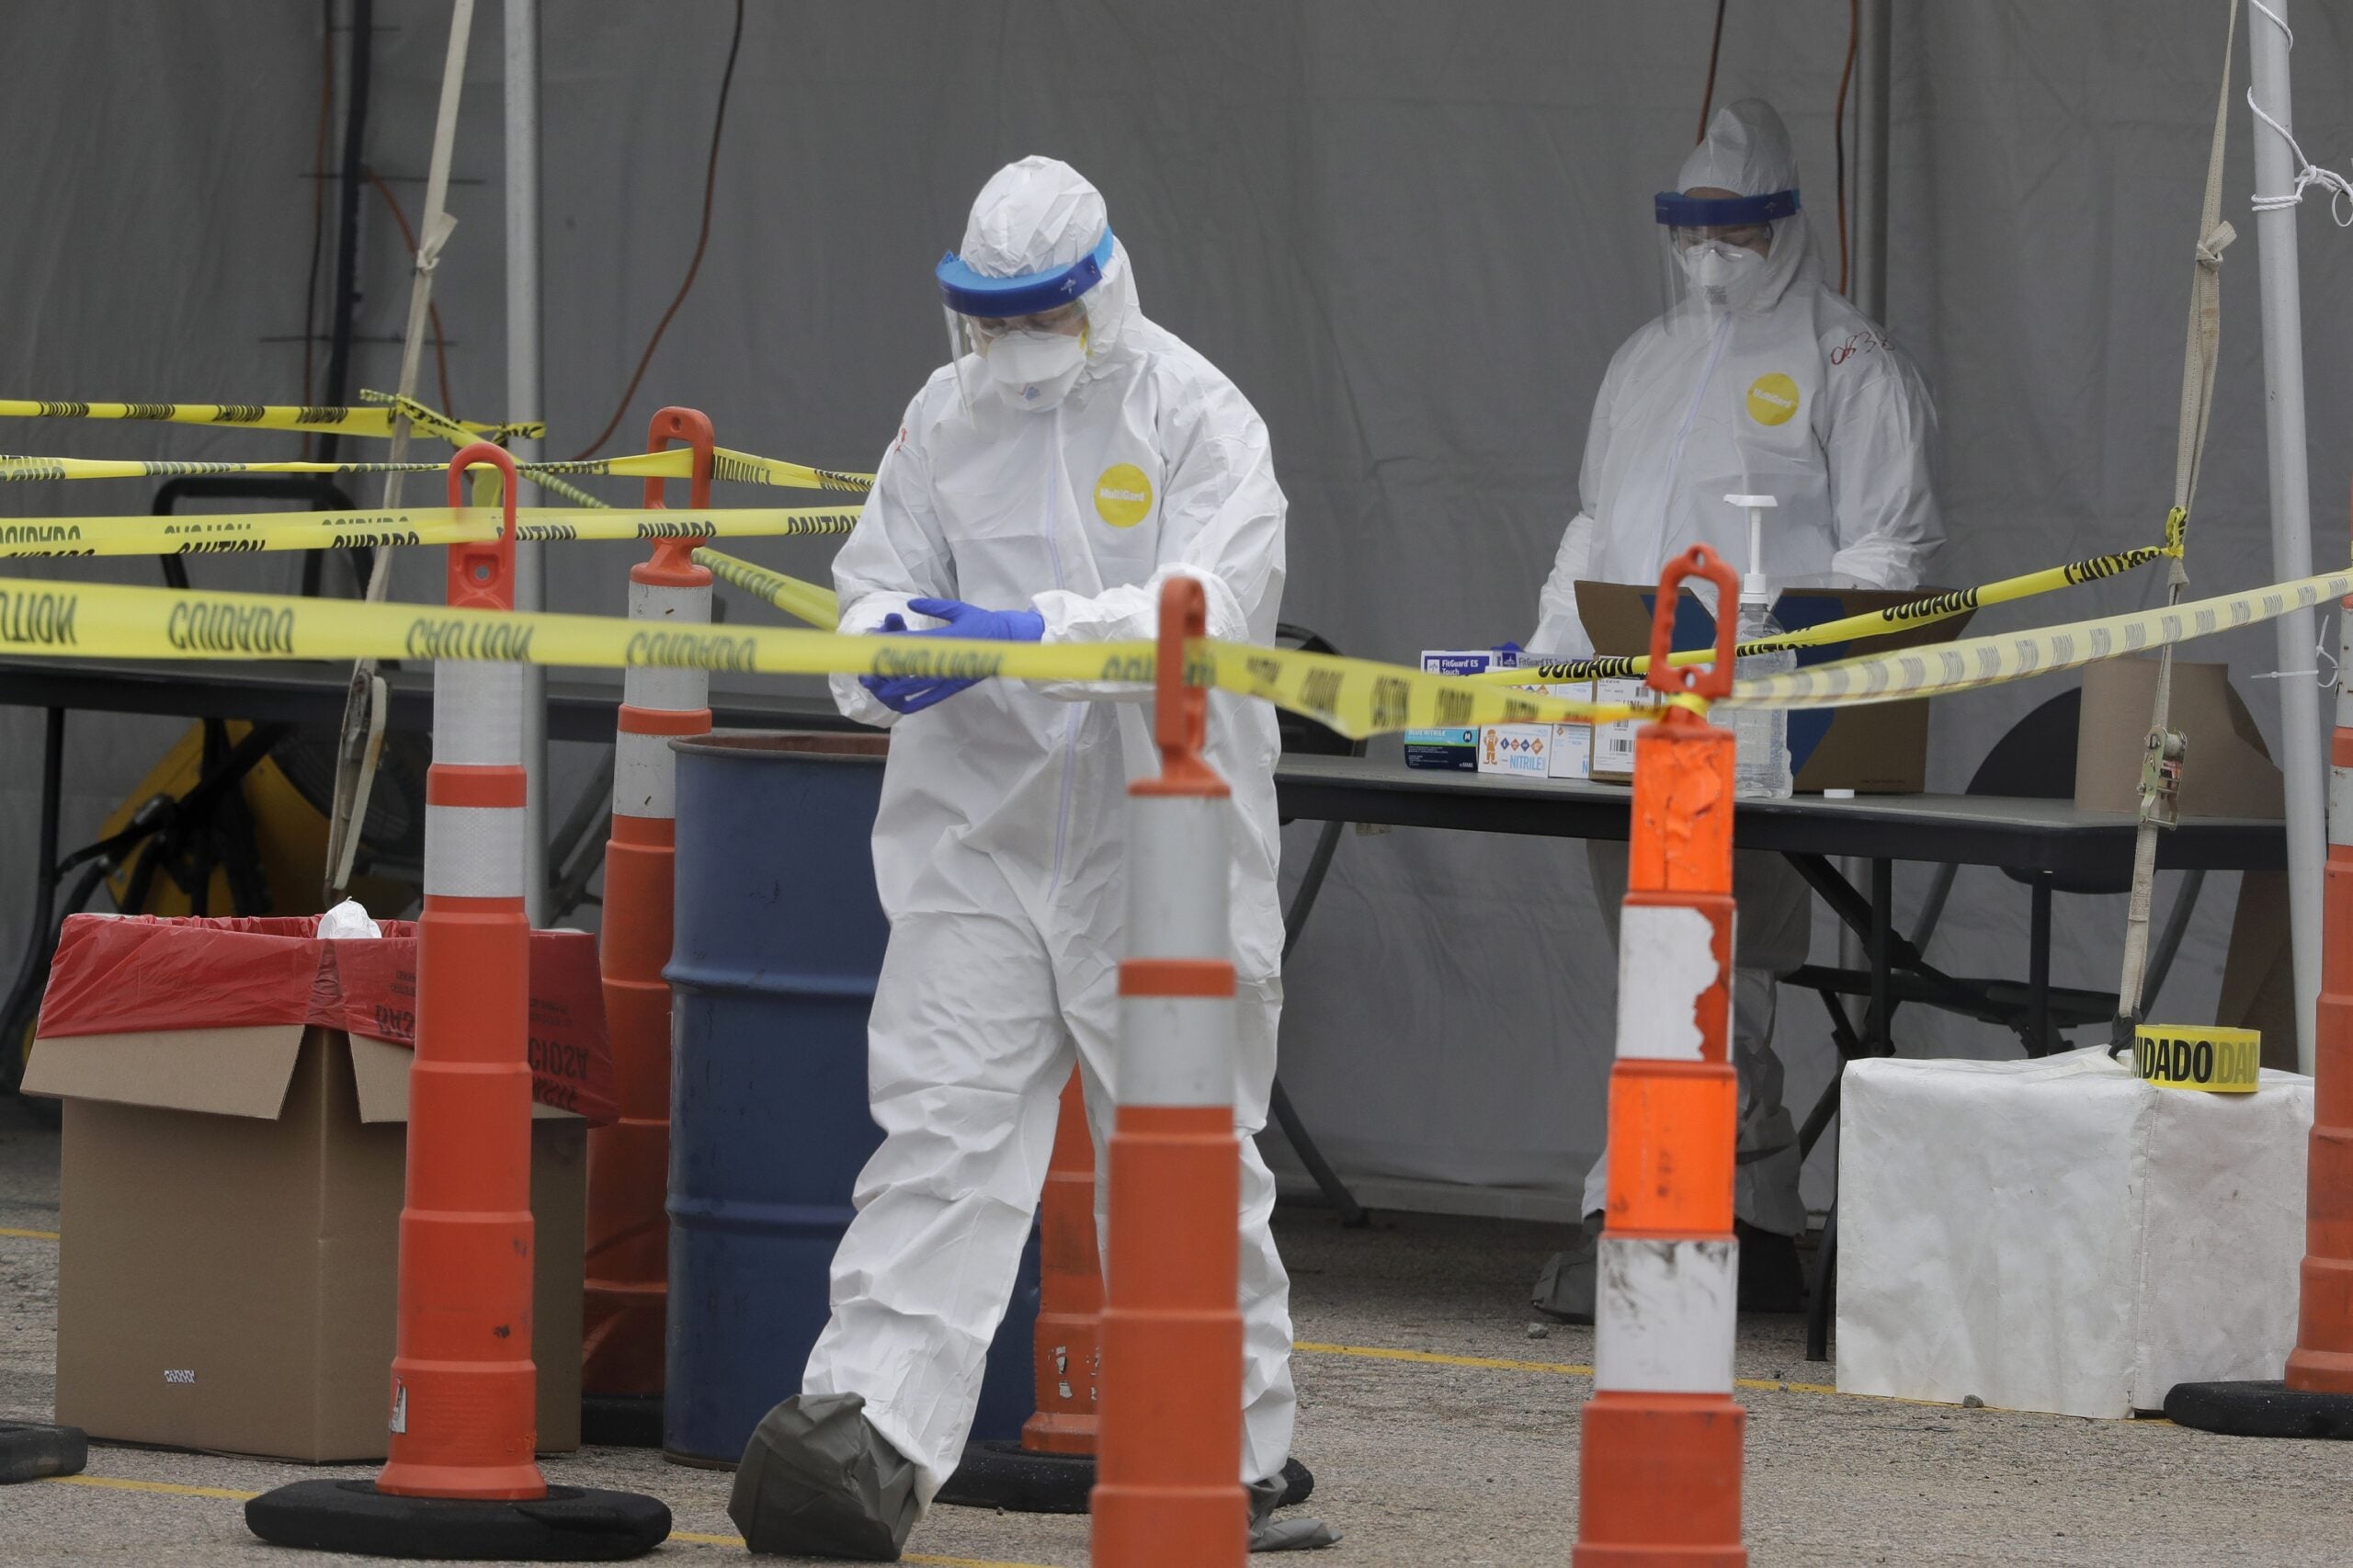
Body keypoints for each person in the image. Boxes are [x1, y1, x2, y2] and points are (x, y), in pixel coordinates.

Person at [727, 155, 1333, 1558]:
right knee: (939, 1135)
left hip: (1160, 851)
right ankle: (858, 1438)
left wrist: (1015, 633)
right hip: (981, 847)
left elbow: (1202, 607)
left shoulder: (1200, 417)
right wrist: (892, 654)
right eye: (983, 313)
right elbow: (865, 602)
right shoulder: (943, 420)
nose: (1008, 342)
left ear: (1096, 292)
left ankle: (1226, 1456)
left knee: (1179, 1155)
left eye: (1031, 313)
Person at [1528, 100, 1941, 1321]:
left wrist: (1765, 645)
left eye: (1737, 228)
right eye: (1692, 226)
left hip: (1768, 724)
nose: (1712, 251)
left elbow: (1894, 552)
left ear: (1787, 224)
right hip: (1631, 710)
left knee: (1723, 959)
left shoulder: (1845, 362)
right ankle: (1736, 1213)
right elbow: (1593, 534)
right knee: (1657, 957)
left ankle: (1662, 1209)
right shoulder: (1642, 362)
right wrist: (1552, 665)